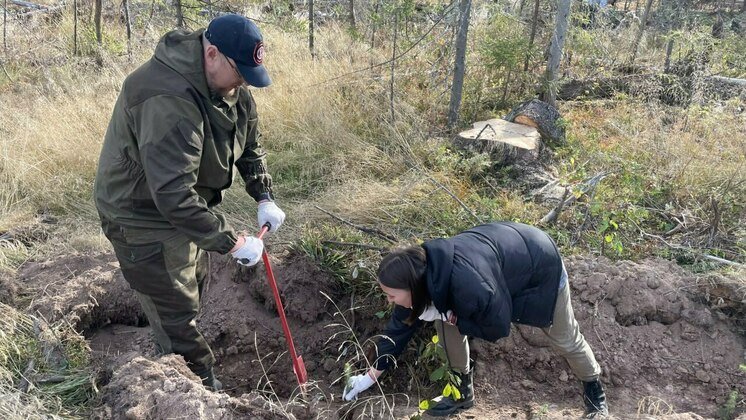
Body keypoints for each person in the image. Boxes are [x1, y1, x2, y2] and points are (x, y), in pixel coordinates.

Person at [93, 14, 285, 391]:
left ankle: (172, 328)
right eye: (240, 72)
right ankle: (197, 393)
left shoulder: (226, 85)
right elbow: (174, 196)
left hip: (183, 205)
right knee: (177, 318)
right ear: (211, 54)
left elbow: (250, 144)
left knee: (193, 284)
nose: (244, 83)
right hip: (141, 216)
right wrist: (232, 242)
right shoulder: (167, 99)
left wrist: (264, 195)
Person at [342, 222, 609, 418]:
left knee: (565, 338)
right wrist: (367, 378)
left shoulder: (471, 288)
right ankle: (461, 393)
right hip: (499, 261)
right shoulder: (419, 276)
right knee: (446, 322)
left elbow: (498, 325)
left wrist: (452, 316)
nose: (389, 300)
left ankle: (595, 393)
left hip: (539, 266)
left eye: (390, 295)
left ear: (411, 287)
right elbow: (398, 329)